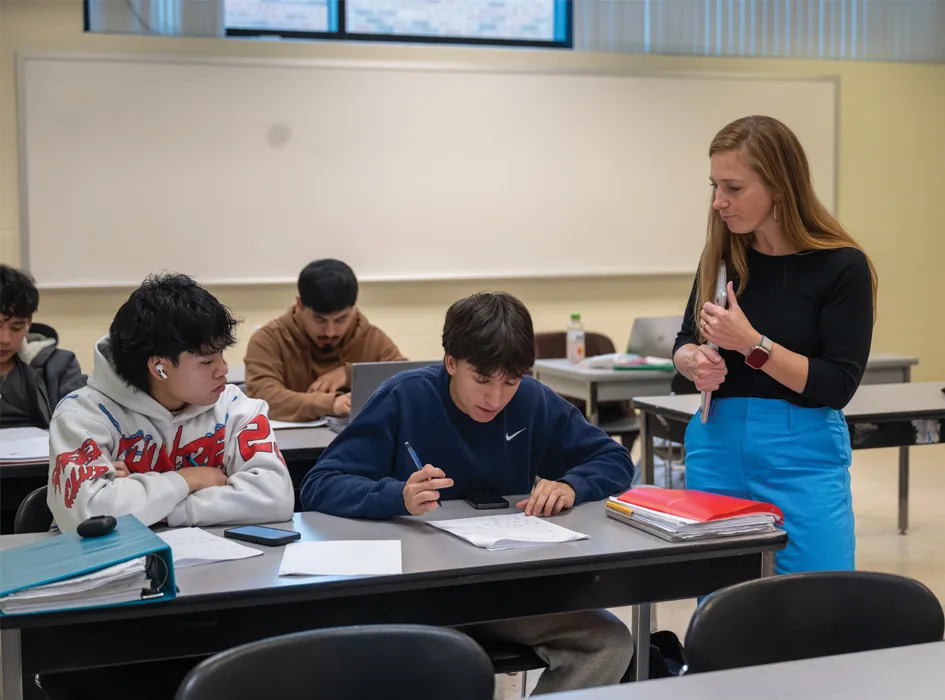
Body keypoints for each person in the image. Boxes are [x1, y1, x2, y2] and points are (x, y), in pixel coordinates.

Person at [301, 291, 635, 694]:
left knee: (610, 643)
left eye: (510, 381)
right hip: (415, 596)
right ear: (451, 362)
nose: (495, 398)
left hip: (505, 591)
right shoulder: (405, 397)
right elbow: (320, 484)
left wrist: (571, 484)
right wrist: (395, 495)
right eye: (481, 380)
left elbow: (615, 460)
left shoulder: (532, 400)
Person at [672, 115, 877, 575]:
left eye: (734, 188)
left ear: (780, 186)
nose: (718, 203)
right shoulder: (724, 259)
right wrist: (694, 362)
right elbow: (685, 341)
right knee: (723, 609)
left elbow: (837, 385)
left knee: (814, 605)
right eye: (714, 186)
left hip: (801, 456)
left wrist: (752, 345)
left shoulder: (841, 267)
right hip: (716, 445)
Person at [47, 273, 294, 534]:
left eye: (222, 354)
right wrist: (189, 479)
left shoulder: (235, 406)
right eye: (206, 362)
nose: (223, 370)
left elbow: (276, 496)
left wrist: (147, 505)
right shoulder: (82, 415)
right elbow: (88, 516)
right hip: (112, 568)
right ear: (159, 367)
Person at [244, 259, 406, 422]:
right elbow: (263, 396)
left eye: (341, 319)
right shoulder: (269, 339)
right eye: (319, 320)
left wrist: (350, 374)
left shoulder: (371, 337)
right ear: (300, 304)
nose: (330, 332)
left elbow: (408, 382)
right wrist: (330, 404)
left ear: (354, 307)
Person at [0, 264, 86, 428]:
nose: (5, 339)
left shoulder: (59, 366)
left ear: (29, 322)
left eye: (16, 327)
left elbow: (82, 419)